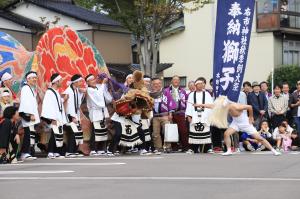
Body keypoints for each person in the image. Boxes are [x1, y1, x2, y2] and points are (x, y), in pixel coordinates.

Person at [199, 96, 280, 156]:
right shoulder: (224, 106)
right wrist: (200, 104)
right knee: (226, 134)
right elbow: (212, 106)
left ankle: (273, 150)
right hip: (235, 123)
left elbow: (249, 107)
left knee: (259, 138)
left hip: (245, 123)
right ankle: (229, 150)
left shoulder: (235, 106)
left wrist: (251, 117)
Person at [41, 73, 68, 159]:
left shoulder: (55, 92)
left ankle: (56, 151)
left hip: (58, 117)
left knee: (58, 135)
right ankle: (50, 151)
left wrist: (64, 99)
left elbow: (58, 103)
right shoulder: (49, 92)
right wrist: (51, 119)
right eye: (60, 81)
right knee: (54, 134)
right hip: (54, 117)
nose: (61, 82)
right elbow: (48, 106)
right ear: (56, 82)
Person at [86, 74, 111, 156]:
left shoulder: (97, 88)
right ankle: (93, 149)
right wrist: (103, 84)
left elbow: (104, 97)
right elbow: (98, 96)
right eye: (91, 80)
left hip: (102, 112)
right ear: (88, 82)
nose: (94, 81)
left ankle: (100, 149)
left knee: (103, 131)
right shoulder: (89, 90)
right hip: (95, 113)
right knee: (95, 131)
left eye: (94, 79)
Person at [185, 77, 213, 154]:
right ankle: (192, 148)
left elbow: (211, 105)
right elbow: (189, 106)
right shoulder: (191, 95)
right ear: (196, 85)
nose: (201, 85)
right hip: (194, 115)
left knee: (206, 131)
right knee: (193, 131)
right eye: (199, 84)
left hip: (205, 115)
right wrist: (188, 116)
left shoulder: (207, 94)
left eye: (202, 84)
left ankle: (208, 148)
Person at [18, 71, 40, 160]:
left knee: (31, 134)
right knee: (28, 134)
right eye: (33, 78)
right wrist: (30, 114)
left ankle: (29, 152)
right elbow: (25, 103)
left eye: (35, 78)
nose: (35, 79)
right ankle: (25, 152)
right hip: (28, 114)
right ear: (28, 79)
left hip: (31, 115)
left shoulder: (30, 88)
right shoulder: (26, 88)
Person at [164, 75, 189, 152]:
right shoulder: (166, 91)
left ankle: (185, 147)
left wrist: (187, 113)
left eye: (178, 80)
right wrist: (169, 113)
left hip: (181, 113)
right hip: (170, 113)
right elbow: (165, 102)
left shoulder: (183, 91)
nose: (176, 81)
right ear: (171, 81)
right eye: (174, 80)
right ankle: (174, 147)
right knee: (173, 130)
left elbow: (186, 102)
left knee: (183, 130)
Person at [63, 74, 86, 158]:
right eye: (80, 81)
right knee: (73, 133)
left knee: (77, 133)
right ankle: (69, 151)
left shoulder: (75, 90)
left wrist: (81, 92)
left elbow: (78, 102)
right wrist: (72, 116)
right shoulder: (68, 91)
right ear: (75, 82)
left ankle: (74, 150)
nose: (81, 83)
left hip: (75, 114)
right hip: (70, 115)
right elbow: (69, 105)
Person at [150, 78, 171, 154]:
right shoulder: (150, 94)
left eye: (158, 83)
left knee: (167, 131)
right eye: (155, 84)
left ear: (161, 84)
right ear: (152, 85)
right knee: (155, 133)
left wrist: (170, 113)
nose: (157, 85)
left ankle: (168, 147)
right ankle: (158, 147)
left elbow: (170, 103)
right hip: (155, 116)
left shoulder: (166, 92)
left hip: (165, 115)